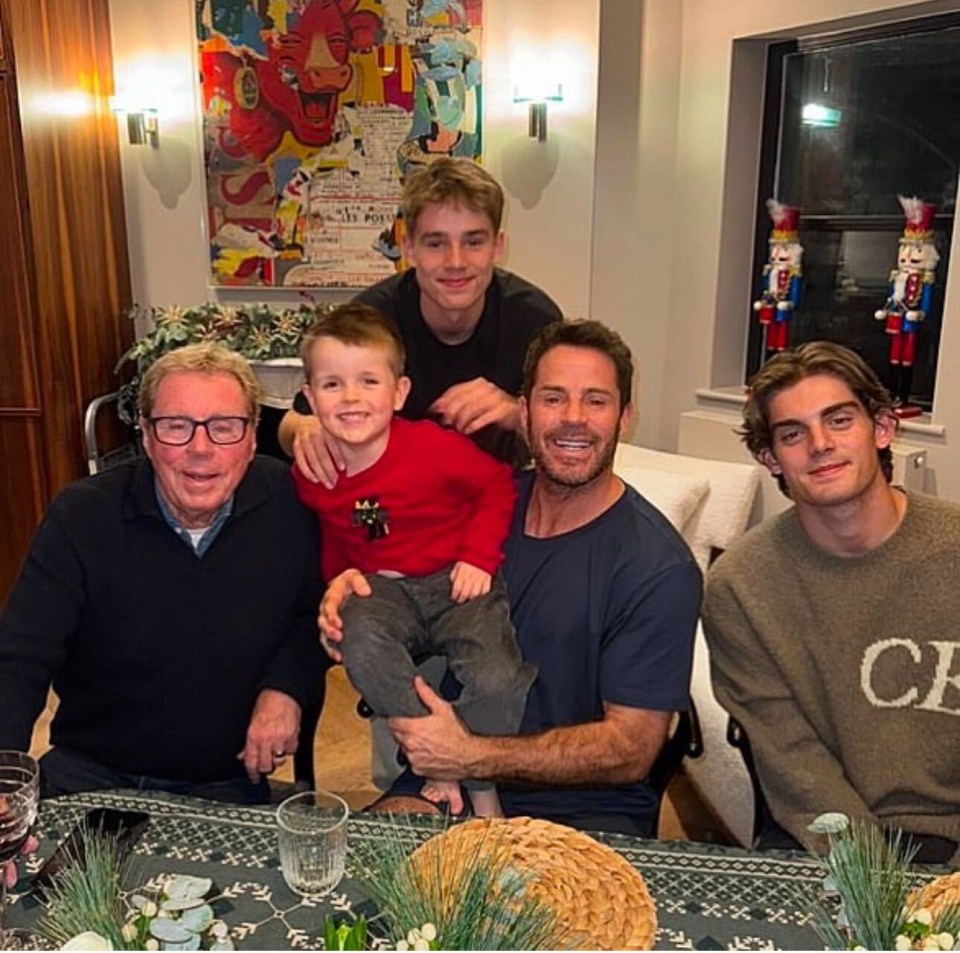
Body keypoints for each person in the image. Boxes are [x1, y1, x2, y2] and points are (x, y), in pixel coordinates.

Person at [320, 320, 701, 836]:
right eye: (553, 398)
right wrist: (351, 590)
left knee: (531, 912)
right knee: (367, 872)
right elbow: (388, 565)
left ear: (625, 418)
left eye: (595, 401)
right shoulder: (469, 509)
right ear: (523, 412)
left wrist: (473, 755)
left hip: (585, 811)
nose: (573, 419)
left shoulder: (658, 568)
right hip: (444, 779)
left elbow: (631, 750)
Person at [0, 344, 325, 803]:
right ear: (147, 438)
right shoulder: (82, 514)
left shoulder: (292, 506)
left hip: (224, 779)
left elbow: (318, 614)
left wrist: (286, 688)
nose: (200, 449)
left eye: (224, 427)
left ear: (252, 438)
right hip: (89, 771)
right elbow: (19, 655)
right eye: (176, 426)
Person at [702, 341, 960, 862]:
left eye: (839, 420)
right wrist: (879, 895)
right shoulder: (740, 588)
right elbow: (795, 767)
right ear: (770, 457)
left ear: (882, 429)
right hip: (824, 839)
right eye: (793, 434)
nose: (819, 444)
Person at [293, 304, 535, 816]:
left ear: (399, 393)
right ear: (310, 397)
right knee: (358, 642)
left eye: (368, 381)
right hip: (383, 588)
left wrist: (477, 556)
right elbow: (334, 534)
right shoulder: (313, 471)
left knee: (497, 676)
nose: (352, 397)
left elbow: (496, 486)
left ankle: (476, 776)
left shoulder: (433, 449)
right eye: (332, 385)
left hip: (456, 580)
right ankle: (431, 756)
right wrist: (337, 583)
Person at [279, 156, 562, 480]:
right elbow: (291, 423)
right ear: (409, 249)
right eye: (435, 243)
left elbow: (570, 430)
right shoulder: (369, 319)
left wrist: (517, 415)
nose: (455, 261)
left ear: (497, 246)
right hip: (394, 501)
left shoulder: (537, 320)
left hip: (500, 497)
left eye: (473, 241)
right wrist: (308, 429)